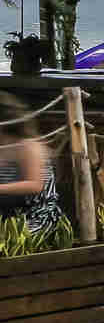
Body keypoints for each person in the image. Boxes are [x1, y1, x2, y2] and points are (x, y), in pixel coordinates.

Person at [0, 90, 61, 234]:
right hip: (8, 217)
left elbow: (35, 185)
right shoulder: (3, 145)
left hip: (36, 216)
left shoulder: (29, 146)